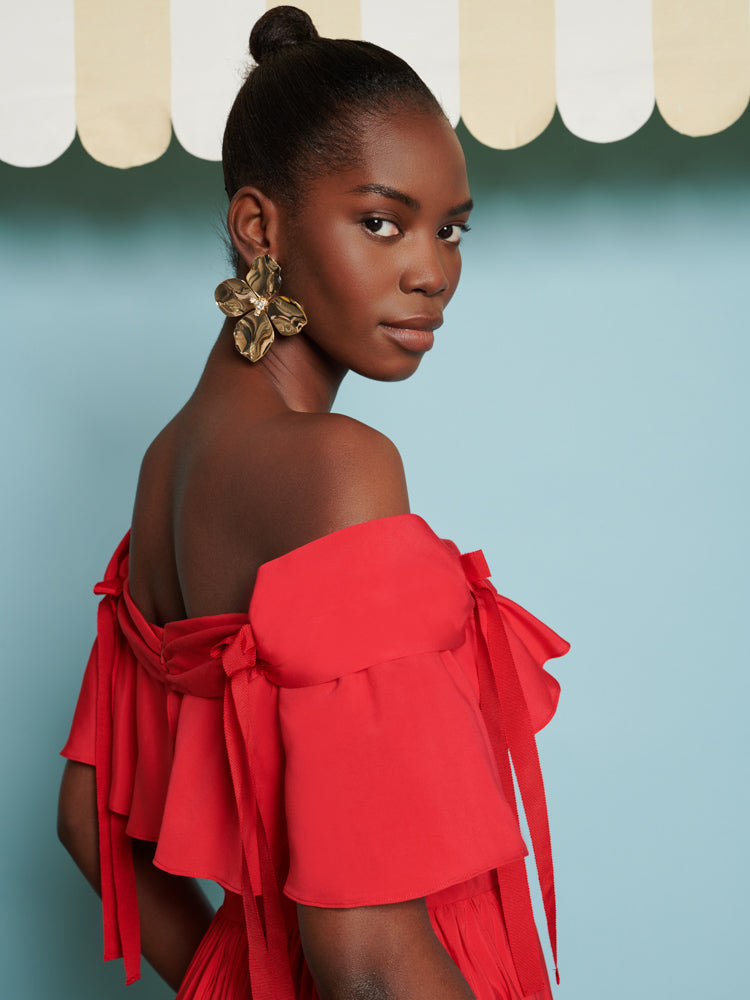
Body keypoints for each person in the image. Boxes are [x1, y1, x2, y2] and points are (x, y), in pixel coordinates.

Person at [57, 7, 569, 999]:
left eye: (450, 229)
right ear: (261, 227)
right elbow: (368, 954)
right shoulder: (338, 468)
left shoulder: (168, 467)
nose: (433, 272)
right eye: (382, 221)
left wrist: (235, 981)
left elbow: (89, 817)